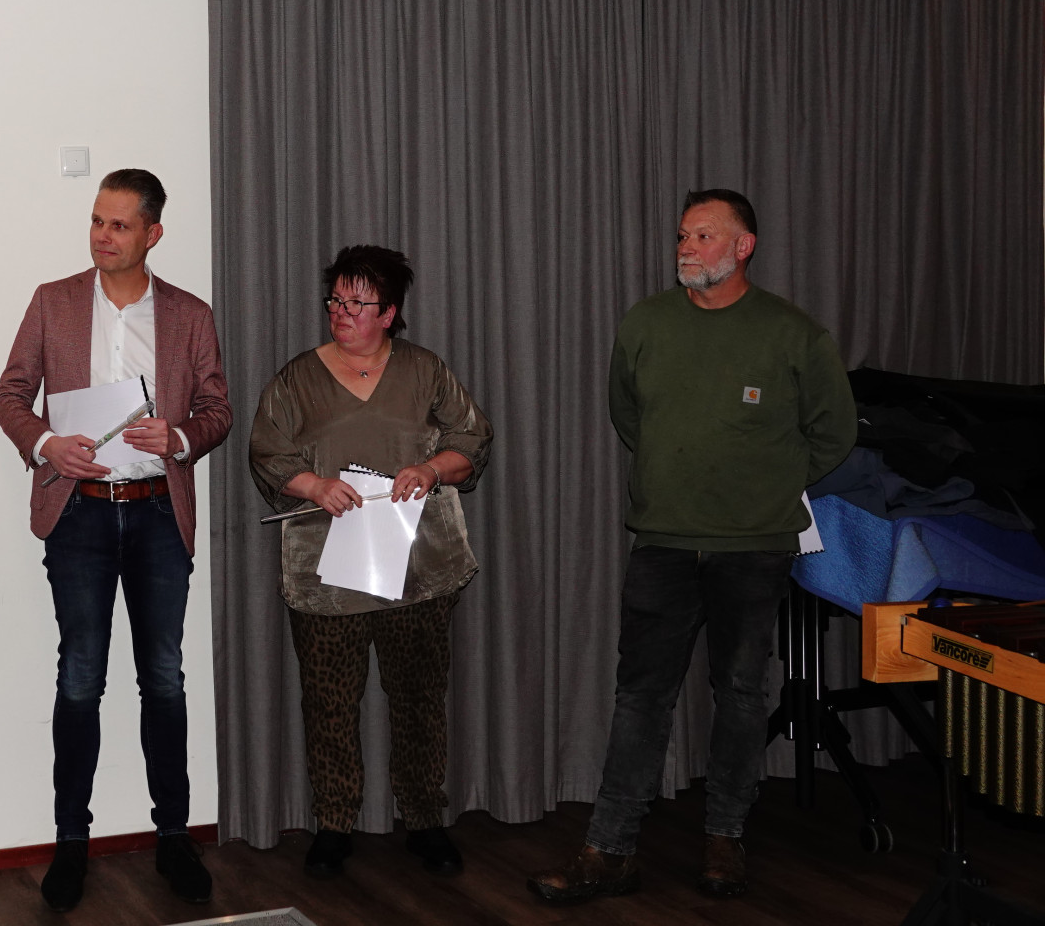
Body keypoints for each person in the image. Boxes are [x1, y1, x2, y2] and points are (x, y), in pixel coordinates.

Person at [527, 189, 856, 905]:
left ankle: (725, 838)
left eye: (704, 236)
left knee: (740, 693)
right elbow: (628, 414)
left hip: (753, 547)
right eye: (682, 236)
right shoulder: (646, 322)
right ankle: (609, 849)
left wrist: (768, 487)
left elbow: (835, 431)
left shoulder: (793, 333)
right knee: (640, 697)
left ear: (743, 247)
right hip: (664, 542)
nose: (686, 248)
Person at [0, 169, 233, 912]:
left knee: (164, 678)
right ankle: (71, 841)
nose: (102, 236)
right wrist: (47, 446)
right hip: (80, 515)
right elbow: (9, 395)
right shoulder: (53, 301)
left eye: (119, 225)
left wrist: (180, 437)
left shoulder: (189, 314)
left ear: (153, 233)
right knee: (79, 678)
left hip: (158, 512)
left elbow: (218, 409)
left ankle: (173, 837)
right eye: (97, 220)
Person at [249, 245, 492, 879]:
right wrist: (313, 485)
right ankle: (334, 825)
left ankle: (426, 820)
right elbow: (267, 453)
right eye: (336, 299)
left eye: (358, 303)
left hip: (418, 569)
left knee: (419, 700)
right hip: (326, 575)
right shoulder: (297, 379)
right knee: (329, 704)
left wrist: (431, 469)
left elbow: (472, 439)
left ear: (389, 313)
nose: (342, 312)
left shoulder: (425, 370)